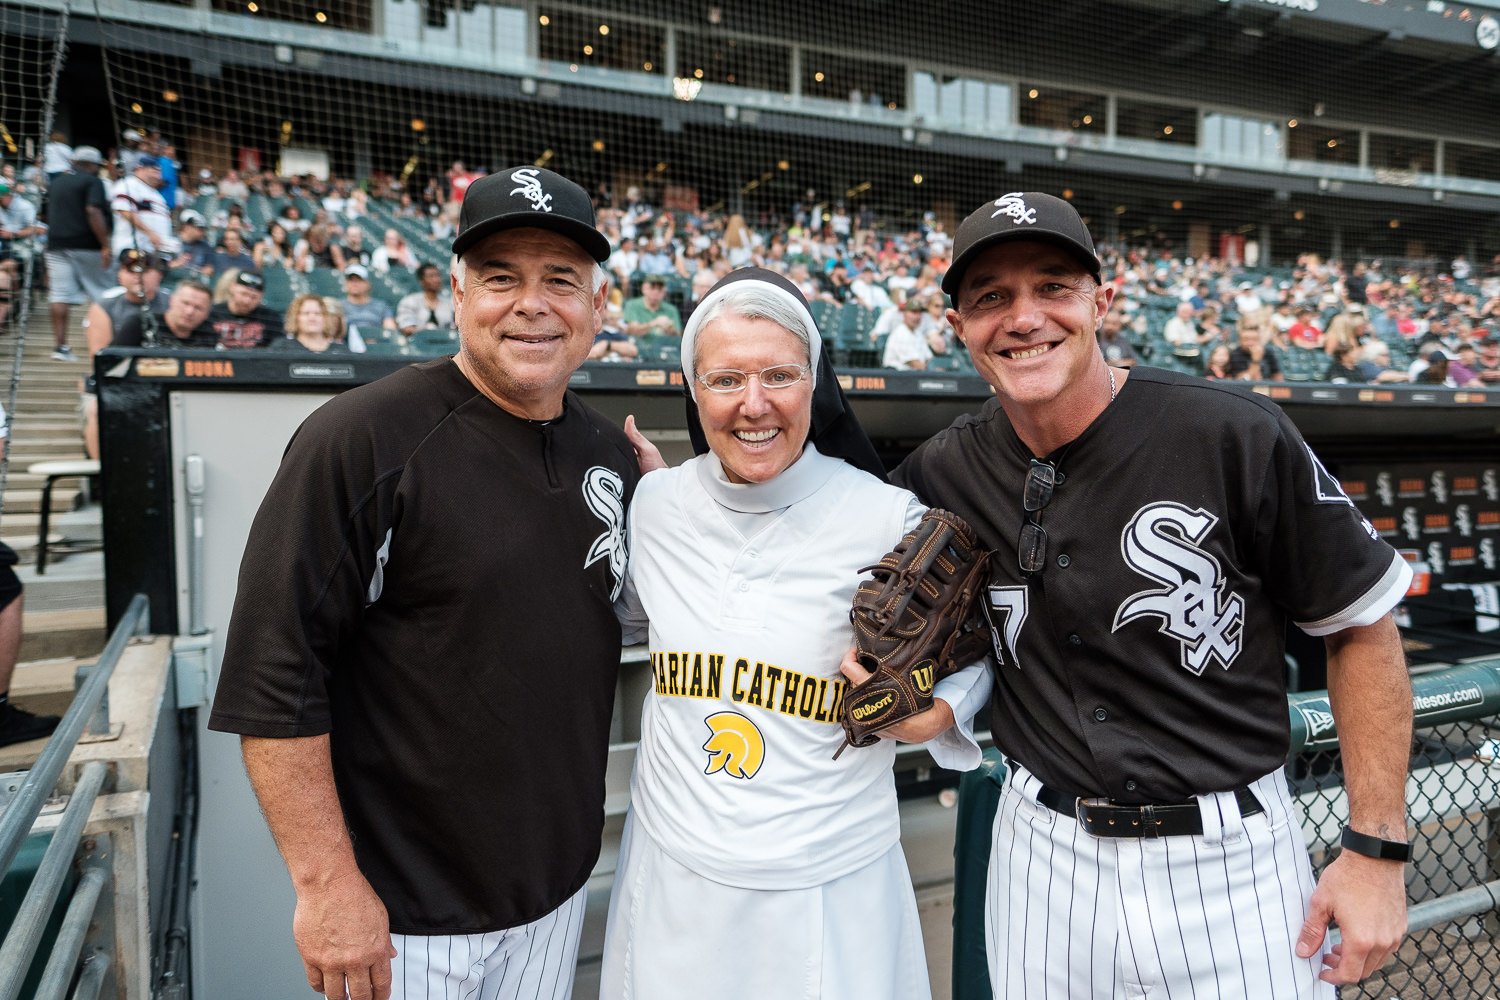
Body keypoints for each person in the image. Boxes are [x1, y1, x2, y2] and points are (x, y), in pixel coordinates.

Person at [893, 191, 1413, 997]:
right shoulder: (941, 471)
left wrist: (1375, 850)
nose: (1023, 317)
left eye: (1052, 287)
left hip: (1233, 861)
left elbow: (1361, 630)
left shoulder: (1232, 432)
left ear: (1103, 300)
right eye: (990, 296)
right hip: (1042, 859)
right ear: (958, 325)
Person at [208, 166, 636, 1000]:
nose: (532, 304)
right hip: (401, 918)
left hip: (553, 893)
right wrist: (328, 888)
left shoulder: (609, 453)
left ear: (597, 305)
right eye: (501, 277)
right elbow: (274, 679)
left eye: (561, 280)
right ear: (455, 291)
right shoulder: (361, 437)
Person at [603, 268, 989, 999]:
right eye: (725, 380)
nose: (754, 404)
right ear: (693, 391)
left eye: (779, 375)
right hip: (672, 877)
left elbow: (969, 655)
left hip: (831, 883)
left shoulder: (887, 517)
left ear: (814, 382)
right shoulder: (654, 505)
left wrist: (935, 713)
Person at [82, 250, 171, 459]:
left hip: (166, 381)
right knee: (95, 409)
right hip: (119, 383)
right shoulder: (106, 305)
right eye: (130, 270)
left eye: (145, 270)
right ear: (120, 275)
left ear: (159, 274)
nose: (137, 275)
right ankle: (101, 476)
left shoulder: (172, 303)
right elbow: (100, 360)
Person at [43, 147, 113, 360]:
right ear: (92, 165)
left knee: (59, 294)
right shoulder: (93, 181)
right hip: (87, 245)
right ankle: (109, 343)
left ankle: (61, 348)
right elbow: (92, 210)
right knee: (105, 293)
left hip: (55, 244)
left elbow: (44, 214)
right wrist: (105, 245)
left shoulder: (56, 183)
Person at [109, 279, 217, 348]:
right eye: (185, 303)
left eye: (198, 308)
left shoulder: (208, 334)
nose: (189, 312)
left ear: (207, 313)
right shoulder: (141, 324)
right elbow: (109, 361)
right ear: (171, 301)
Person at [110, 154, 177, 261]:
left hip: (152, 252)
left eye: (159, 171)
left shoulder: (157, 195)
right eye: (154, 169)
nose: (158, 174)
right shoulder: (128, 183)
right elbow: (125, 211)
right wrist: (150, 233)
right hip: (132, 249)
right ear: (140, 168)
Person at [0, 179, 44, 330]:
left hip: (22, 245)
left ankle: (20, 298)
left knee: (17, 263)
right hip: (4, 247)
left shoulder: (24, 206)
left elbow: (40, 229)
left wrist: (14, 233)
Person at [209, 269, 284, 348]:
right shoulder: (212, 313)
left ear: (261, 297)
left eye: (254, 297)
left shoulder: (270, 318)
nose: (247, 301)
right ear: (232, 287)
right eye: (243, 294)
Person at [340, 264, 397, 342]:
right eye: (351, 280)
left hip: (375, 348)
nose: (354, 284)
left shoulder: (381, 306)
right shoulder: (339, 306)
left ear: (367, 284)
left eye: (359, 280)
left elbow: (391, 331)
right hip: (346, 348)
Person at [395, 263, 454, 335]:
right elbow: (406, 328)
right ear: (421, 281)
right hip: (417, 343)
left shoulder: (449, 303)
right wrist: (428, 331)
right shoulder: (409, 301)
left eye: (438, 275)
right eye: (431, 276)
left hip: (445, 343)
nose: (436, 280)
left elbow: (455, 328)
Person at [279, 293, 346, 353]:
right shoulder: (281, 349)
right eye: (306, 313)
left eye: (317, 313)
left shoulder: (342, 351)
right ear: (295, 318)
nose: (312, 318)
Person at [881, 297, 934, 370]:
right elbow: (916, 364)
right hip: (896, 376)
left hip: (912, 377)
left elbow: (929, 358)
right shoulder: (900, 333)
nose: (917, 317)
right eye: (914, 312)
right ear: (904, 314)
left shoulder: (917, 333)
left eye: (919, 313)